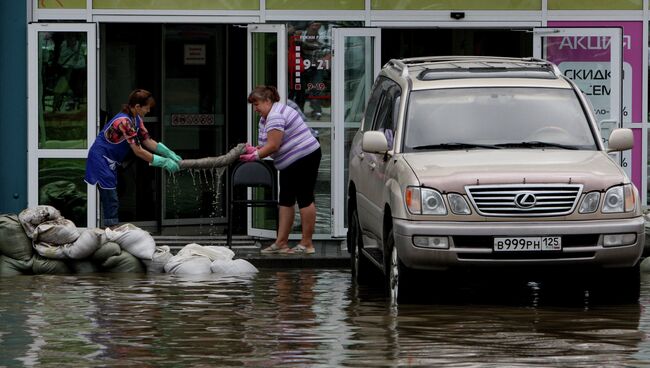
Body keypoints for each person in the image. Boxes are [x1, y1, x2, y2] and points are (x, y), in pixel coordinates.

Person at [241, 85, 321, 255]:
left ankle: (307, 243)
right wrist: (254, 150)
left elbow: (273, 145)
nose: (255, 109)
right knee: (285, 200)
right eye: (253, 105)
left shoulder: (275, 116)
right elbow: (267, 144)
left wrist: (255, 156)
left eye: (257, 104)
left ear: (268, 101)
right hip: (290, 161)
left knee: (305, 197)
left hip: (304, 157)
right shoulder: (268, 116)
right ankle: (281, 243)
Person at [85, 89, 181, 228]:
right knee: (110, 196)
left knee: (112, 193)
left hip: (111, 160)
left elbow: (147, 140)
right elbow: (138, 150)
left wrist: (167, 152)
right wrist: (163, 162)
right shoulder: (124, 121)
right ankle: (111, 230)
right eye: (147, 108)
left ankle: (111, 228)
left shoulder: (136, 119)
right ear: (137, 106)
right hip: (100, 159)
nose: (148, 111)